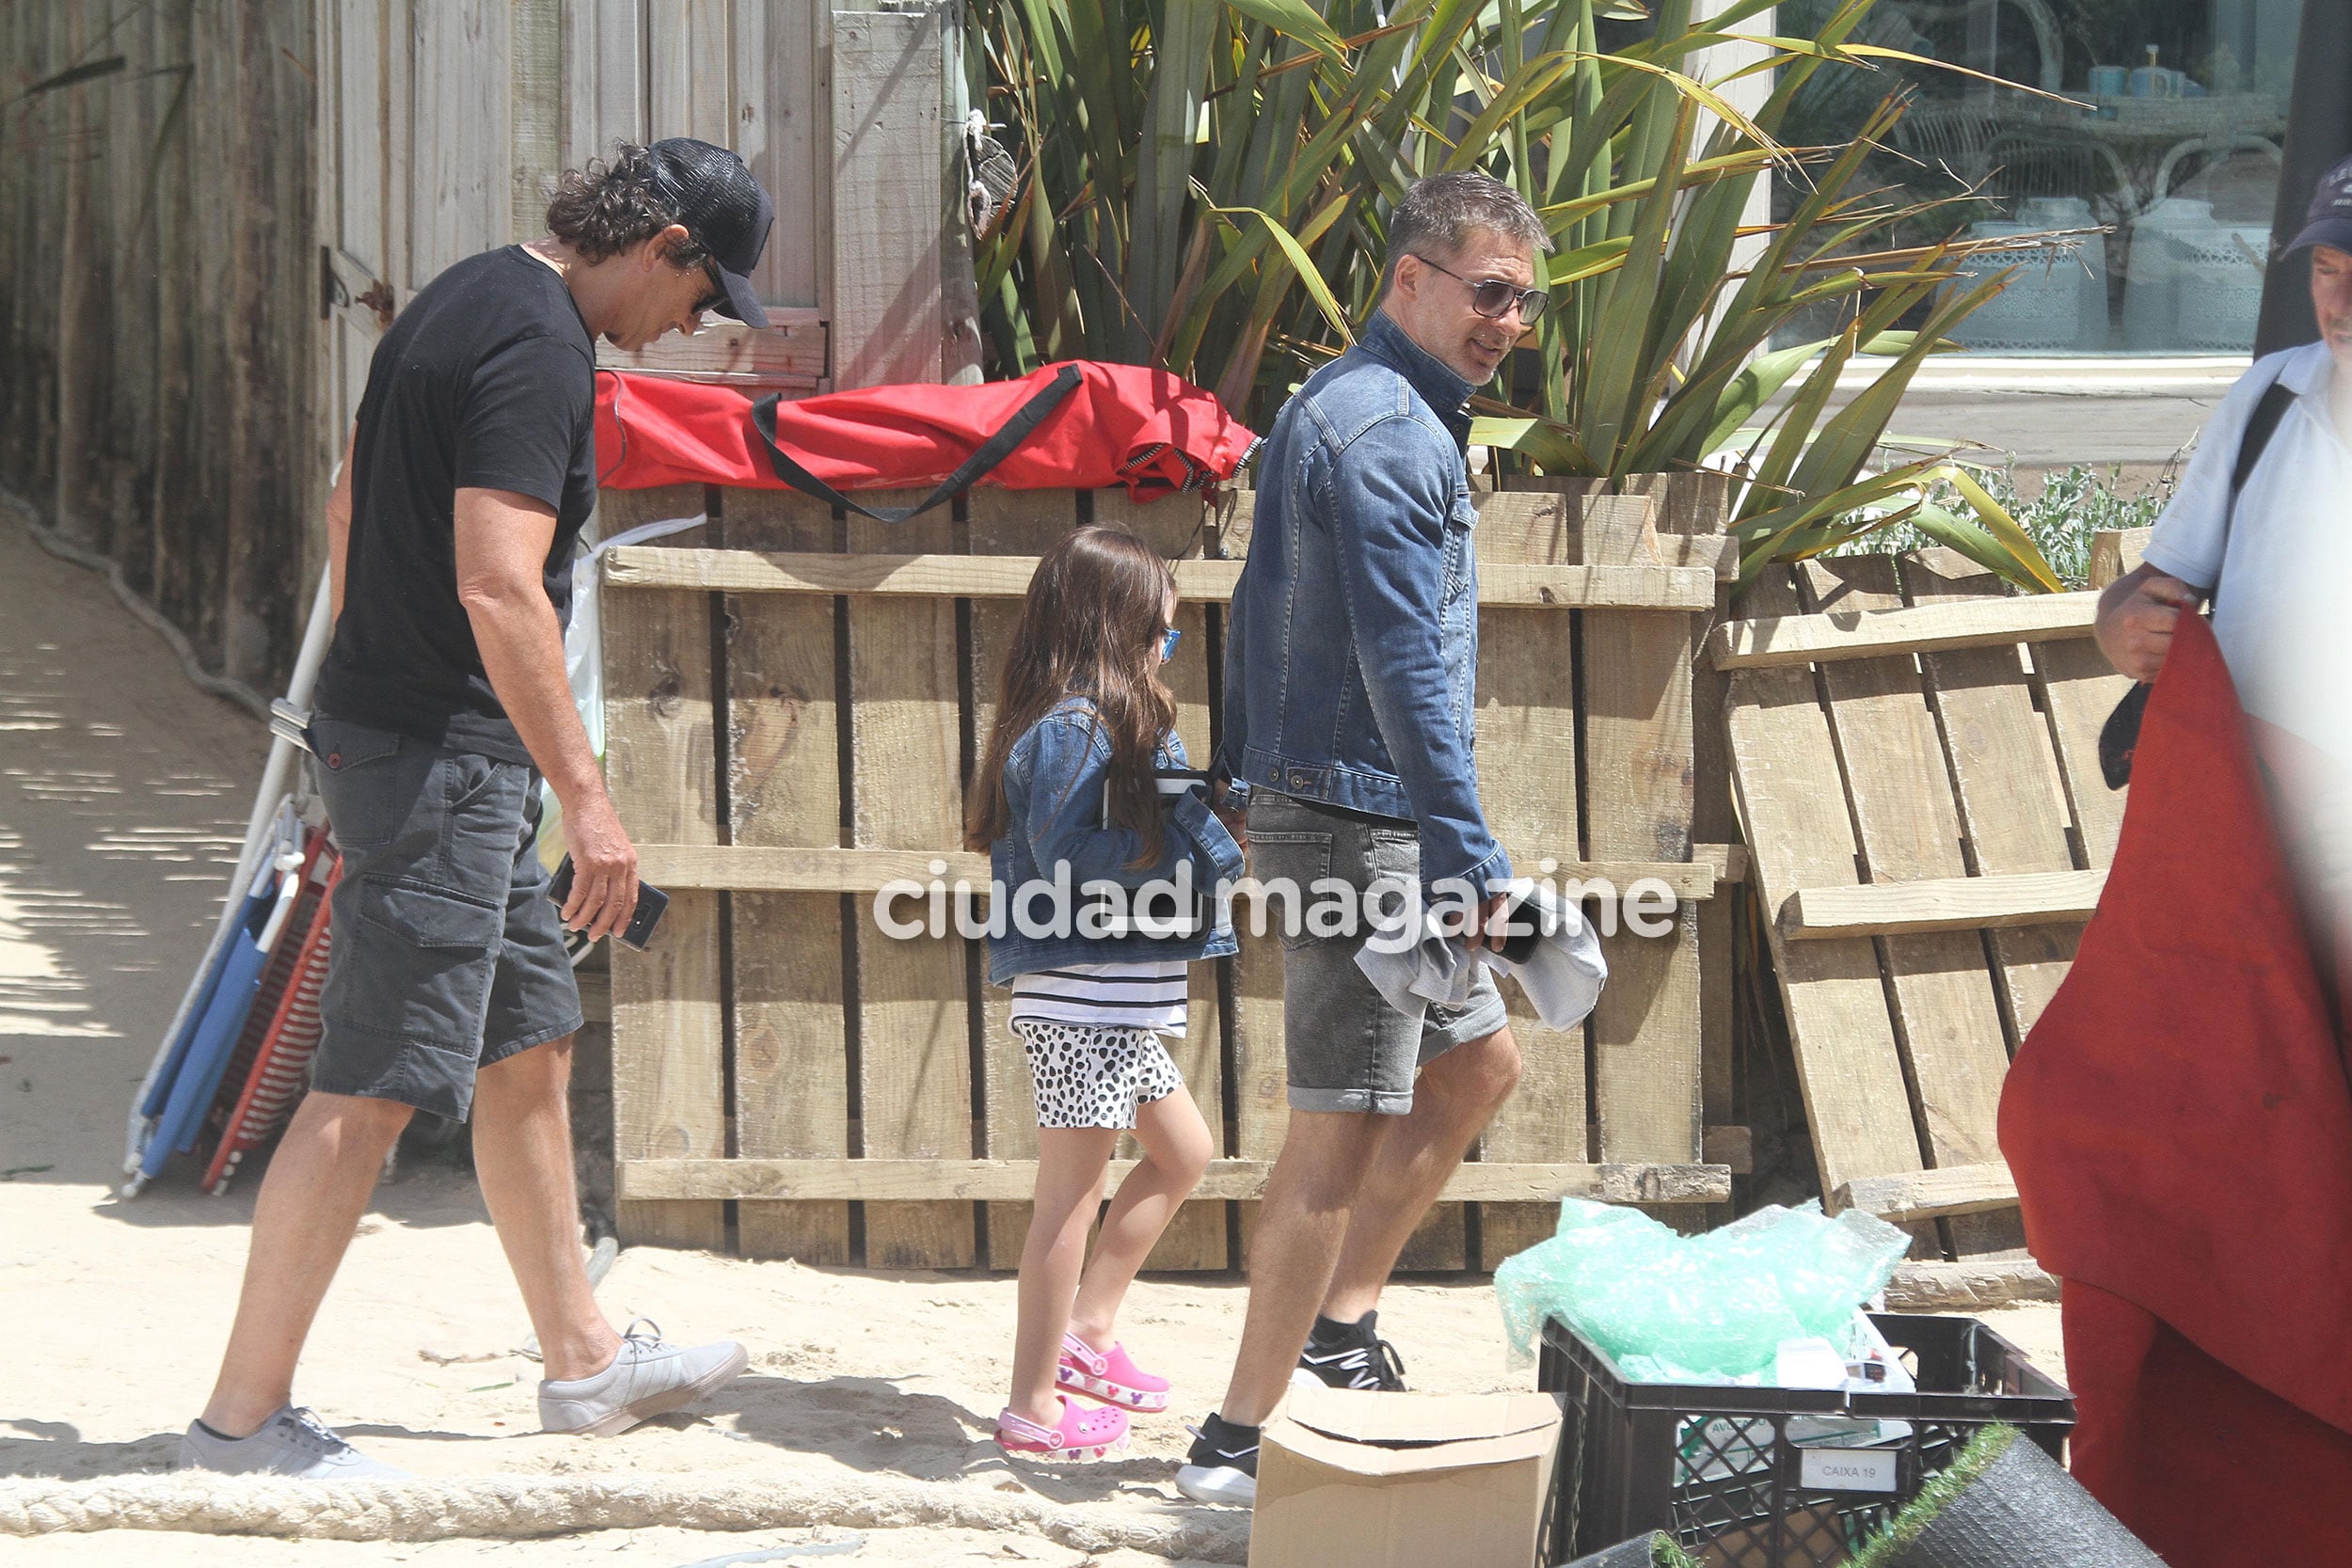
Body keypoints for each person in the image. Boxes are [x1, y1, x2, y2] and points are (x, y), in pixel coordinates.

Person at [179, 139, 775, 1480]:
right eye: (699, 292)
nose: (691, 326)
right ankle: (238, 1418)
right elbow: (502, 585)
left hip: (423, 742)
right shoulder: (544, 348)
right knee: (374, 1085)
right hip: (443, 761)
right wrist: (593, 805)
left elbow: (348, 504)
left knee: (531, 1043)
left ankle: (585, 1362)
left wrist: (380, 678)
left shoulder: (462, 293)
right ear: (662, 240)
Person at [1178, 171, 1549, 1506]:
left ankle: (1339, 1332)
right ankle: (1237, 1438)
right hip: (1366, 827)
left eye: (1522, 299)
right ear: (1409, 278)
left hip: (1340, 803)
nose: (1507, 319)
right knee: (1338, 1124)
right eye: (1485, 291)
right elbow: (1405, 664)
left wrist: (1235, 768)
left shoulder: (1340, 406)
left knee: (1476, 1068)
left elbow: (1265, 597)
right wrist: (1462, 849)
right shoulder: (1392, 435)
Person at [964, 526, 1238, 1463]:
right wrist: (1185, 836)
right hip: (1084, 1001)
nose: (1172, 642)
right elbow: (1070, 859)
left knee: (1186, 1152)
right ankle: (1032, 1405)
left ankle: (1088, 1328)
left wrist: (1201, 812)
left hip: (1117, 1001)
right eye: (1162, 626)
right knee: (1069, 1201)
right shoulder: (1074, 726)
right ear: (1118, 624)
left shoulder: (1110, 720)